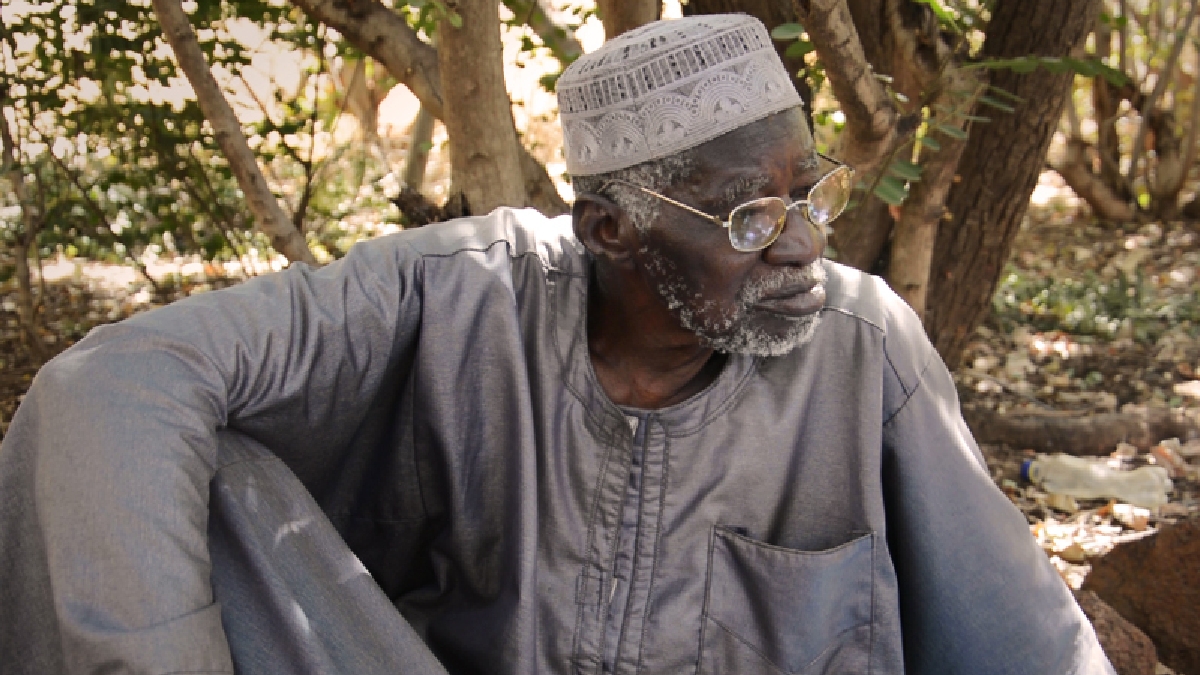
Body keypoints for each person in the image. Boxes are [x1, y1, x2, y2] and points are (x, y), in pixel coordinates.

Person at [0, 14, 1113, 675]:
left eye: (810, 193)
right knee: (192, 473)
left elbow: (1028, 645)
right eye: (750, 217)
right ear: (610, 231)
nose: (805, 245)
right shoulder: (460, 294)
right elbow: (113, 383)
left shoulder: (864, 350)